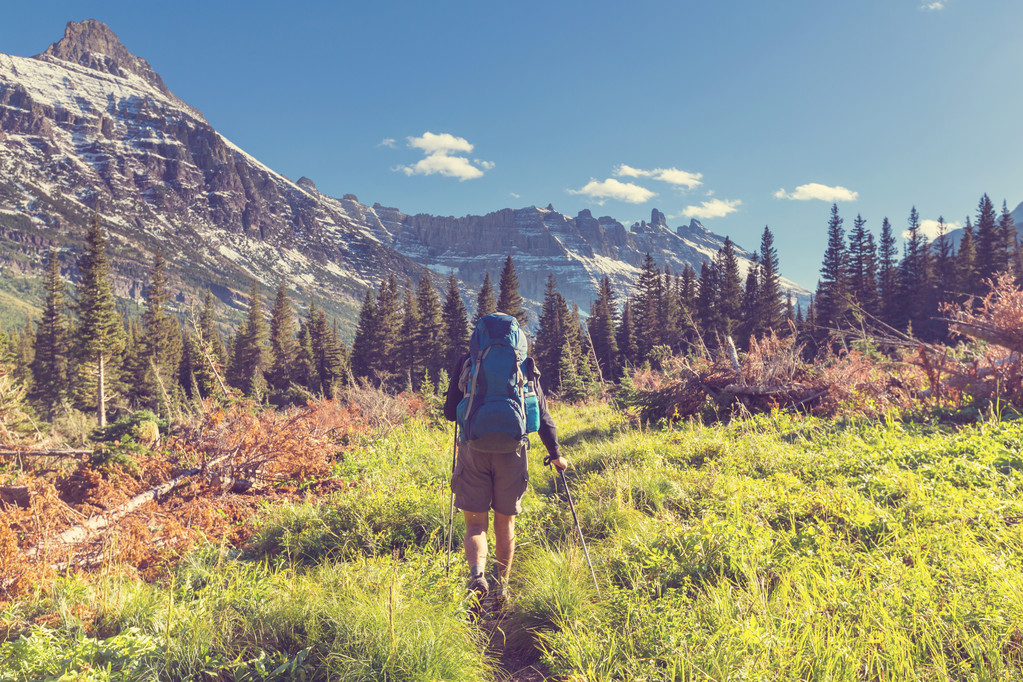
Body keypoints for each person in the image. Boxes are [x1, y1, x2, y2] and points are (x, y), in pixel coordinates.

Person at [443, 330, 568, 605]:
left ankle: (477, 577)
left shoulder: (468, 361)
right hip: (512, 450)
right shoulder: (525, 365)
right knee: (506, 522)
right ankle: (502, 588)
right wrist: (555, 453)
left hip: (473, 448)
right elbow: (541, 414)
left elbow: (451, 412)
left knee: (475, 525)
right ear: (517, 343)